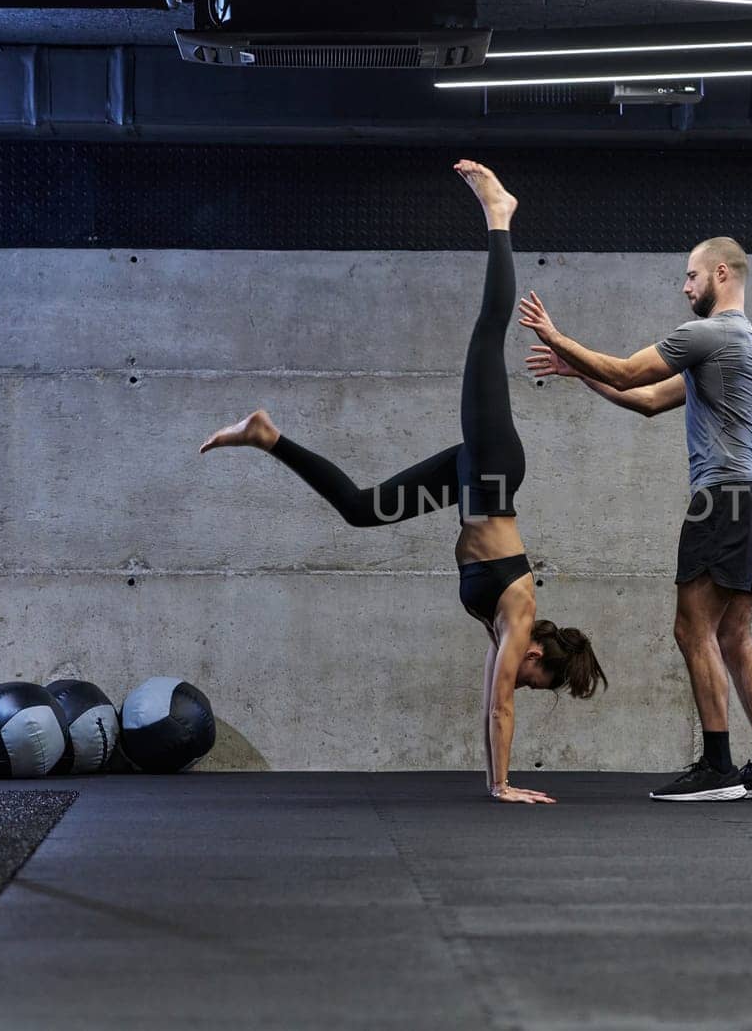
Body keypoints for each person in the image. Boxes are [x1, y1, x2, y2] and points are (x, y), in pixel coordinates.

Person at [201, 160, 604, 805]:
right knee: (485, 338)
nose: (517, 680)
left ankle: (266, 435)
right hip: (494, 471)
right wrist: (501, 785)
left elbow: (490, 699)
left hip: (475, 483)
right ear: (536, 660)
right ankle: (500, 216)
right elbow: (500, 706)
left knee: (362, 509)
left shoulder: (505, 627)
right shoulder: (518, 614)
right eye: (532, 680)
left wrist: (495, 776)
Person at [521, 236, 752, 802]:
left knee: (691, 629)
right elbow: (648, 399)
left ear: (721, 273)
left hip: (720, 500)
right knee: (735, 635)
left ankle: (719, 768)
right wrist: (581, 373)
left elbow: (628, 372)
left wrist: (557, 337)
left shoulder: (708, 333)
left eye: (692, 276)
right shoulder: (742, 343)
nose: (685, 286)